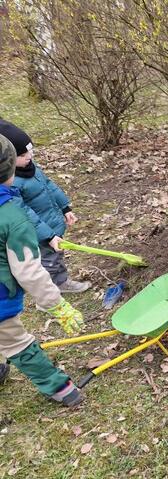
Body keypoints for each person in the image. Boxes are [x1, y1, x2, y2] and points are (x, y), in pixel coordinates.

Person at [0, 133, 85, 406]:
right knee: (17, 343)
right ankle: (60, 388)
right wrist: (57, 305)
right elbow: (30, 272)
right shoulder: (12, 218)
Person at [0, 119, 90, 293]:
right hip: (38, 232)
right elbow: (24, 212)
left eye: (30, 151)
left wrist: (65, 207)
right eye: (22, 155)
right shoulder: (11, 184)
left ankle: (59, 280)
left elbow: (49, 185)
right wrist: (48, 235)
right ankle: (55, 287)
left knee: (56, 254)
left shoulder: (30, 167)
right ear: (8, 158)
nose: (29, 156)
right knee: (49, 260)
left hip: (51, 222)